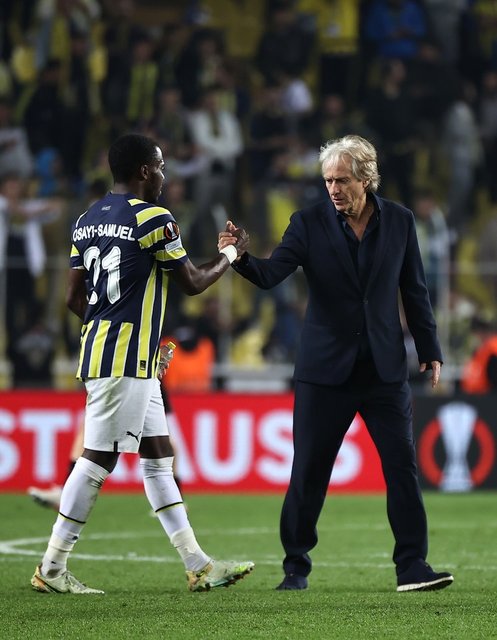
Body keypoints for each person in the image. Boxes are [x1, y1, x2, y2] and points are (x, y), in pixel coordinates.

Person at [218, 134, 453, 592]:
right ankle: (295, 567)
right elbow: (271, 274)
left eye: (342, 180)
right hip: (324, 372)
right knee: (309, 471)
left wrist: (430, 348)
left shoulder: (400, 221)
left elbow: (414, 289)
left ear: (366, 178)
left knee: (402, 467)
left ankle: (412, 566)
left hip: (384, 369)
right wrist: (240, 257)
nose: (333, 189)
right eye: (328, 180)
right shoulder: (307, 223)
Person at [30, 133, 253, 595]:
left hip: (116, 354)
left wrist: (125, 338)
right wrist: (231, 253)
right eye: (161, 167)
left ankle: (198, 564)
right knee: (96, 461)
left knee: (158, 460)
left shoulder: (87, 219)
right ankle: (51, 568)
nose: (165, 177)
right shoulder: (154, 218)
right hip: (126, 360)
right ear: (145, 171)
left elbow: (74, 298)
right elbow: (192, 283)